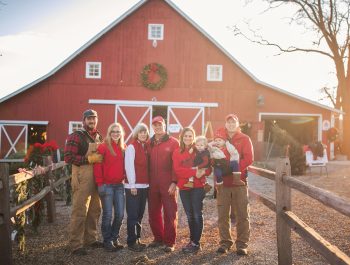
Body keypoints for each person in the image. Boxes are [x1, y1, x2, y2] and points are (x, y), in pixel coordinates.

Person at [64, 109, 103, 256]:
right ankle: (75, 245)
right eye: (89, 119)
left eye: (94, 118)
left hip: (97, 178)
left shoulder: (99, 136)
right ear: (84, 121)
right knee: (80, 211)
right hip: (82, 177)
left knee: (94, 210)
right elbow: (68, 157)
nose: (92, 121)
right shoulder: (76, 136)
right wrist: (88, 159)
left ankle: (90, 239)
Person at [216, 113, 253, 256]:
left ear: (238, 124)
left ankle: (242, 244)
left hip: (240, 182)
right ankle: (225, 242)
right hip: (223, 184)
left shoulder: (244, 139)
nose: (231, 124)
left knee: (242, 214)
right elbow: (213, 156)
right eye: (228, 122)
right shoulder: (219, 138)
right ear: (225, 124)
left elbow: (249, 158)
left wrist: (232, 169)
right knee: (222, 214)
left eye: (233, 122)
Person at [172, 128, 211, 254]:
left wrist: (203, 171)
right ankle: (192, 240)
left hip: (198, 187)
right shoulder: (177, 152)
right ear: (182, 137)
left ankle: (196, 242)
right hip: (184, 188)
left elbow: (208, 168)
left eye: (190, 136)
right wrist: (195, 172)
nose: (188, 138)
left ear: (193, 137)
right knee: (189, 216)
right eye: (186, 136)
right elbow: (178, 170)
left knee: (197, 214)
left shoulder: (199, 150)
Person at [147, 116, 179, 253]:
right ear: (152, 127)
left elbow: (177, 165)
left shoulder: (173, 142)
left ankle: (169, 242)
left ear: (164, 125)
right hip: (152, 182)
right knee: (153, 212)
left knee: (170, 212)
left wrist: (174, 182)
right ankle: (158, 238)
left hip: (168, 182)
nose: (157, 127)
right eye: (155, 125)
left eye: (160, 124)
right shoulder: (149, 142)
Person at [94, 123, 126, 252]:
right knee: (107, 215)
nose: (116, 133)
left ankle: (114, 237)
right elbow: (97, 165)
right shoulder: (103, 147)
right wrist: (100, 184)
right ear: (109, 132)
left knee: (120, 214)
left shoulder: (124, 147)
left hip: (119, 185)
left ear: (121, 133)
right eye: (113, 131)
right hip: (106, 186)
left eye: (118, 131)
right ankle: (107, 241)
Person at [124, 123, 150, 252]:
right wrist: (132, 185)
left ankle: (138, 238)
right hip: (133, 186)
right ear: (136, 133)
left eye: (145, 132)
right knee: (133, 214)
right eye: (141, 132)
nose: (143, 134)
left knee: (140, 214)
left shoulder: (145, 147)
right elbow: (129, 166)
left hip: (144, 186)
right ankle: (131, 241)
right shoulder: (131, 147)